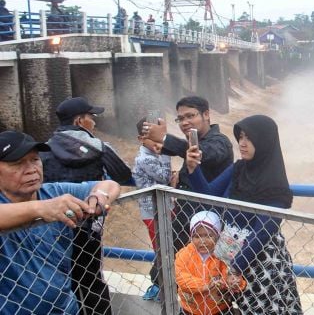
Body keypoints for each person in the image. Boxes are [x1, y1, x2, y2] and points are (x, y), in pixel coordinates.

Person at [186, 115, 303, 314]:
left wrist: (236, 267)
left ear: (264, 141)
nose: (242, 143)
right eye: (240, 137)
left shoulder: (274, 184)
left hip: (261, 262)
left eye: (249, 138)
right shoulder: (239, 169)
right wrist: (193, 169)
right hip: (230, 259)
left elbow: (263, 232)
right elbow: (208, 196)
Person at [0, 130, 121, 314]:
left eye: (35, 160)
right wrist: (40, 209)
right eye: (18, 163)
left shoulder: (53, 192)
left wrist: (99, 195)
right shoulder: (45, 201)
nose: (32, 169)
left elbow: (111, 185)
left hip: (67, 308)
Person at [40, 96, 132, 315]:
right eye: (92, 117)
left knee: (64, 276)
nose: (95, 122)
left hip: (56, 224)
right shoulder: (99, 147)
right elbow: (123, 175)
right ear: (80, 121)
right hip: (90, 221)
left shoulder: (43, 150)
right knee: (92, 279)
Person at [143, 96, 233, 253]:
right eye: (180, 119)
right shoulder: (194, 142)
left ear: (206, 114)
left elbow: (200, 153)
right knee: (163, 271)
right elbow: (190, 150)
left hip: (208, 229)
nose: (185, 122)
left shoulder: (220, 142)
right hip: (184, 223)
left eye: (191, 116)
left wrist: (164, 138)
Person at [175, 211, 246, 315]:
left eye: (208, 236)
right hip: (190, 310)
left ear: (217, 236)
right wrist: (206, 285)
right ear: (191, 237)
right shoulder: (184, 254)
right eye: (197, 236)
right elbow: (181, 278)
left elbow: (231, 275)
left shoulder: (223, 256)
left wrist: (236, 283)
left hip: (219, 309)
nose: (202, 241)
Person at [132, 117, 172, 301]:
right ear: (141, 139)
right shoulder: (145, 159)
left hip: (161, 209)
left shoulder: (150, 156)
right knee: (163, 250)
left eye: (160, 138)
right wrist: (166, 153)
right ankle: (160, 287)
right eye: (154, 139)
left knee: (167, 247)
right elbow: (164, 177)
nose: (158, 143)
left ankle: (163, 286)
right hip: (154, 212)